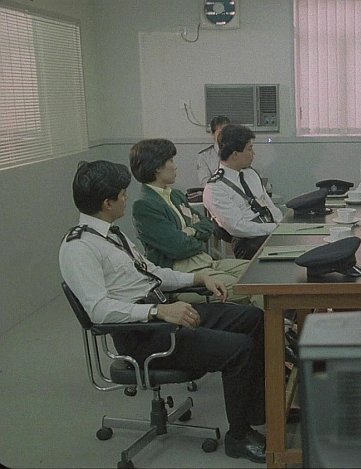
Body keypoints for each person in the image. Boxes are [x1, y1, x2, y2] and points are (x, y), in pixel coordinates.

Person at [59, 160, 268, 463]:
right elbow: (99, 311)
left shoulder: (111, 235)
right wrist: (159, 311)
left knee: (252, 319)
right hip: (141, 335)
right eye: (122, 193)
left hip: (160, 315)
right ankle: (239, 437)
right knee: (239, 349)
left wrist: (197, 279)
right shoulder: (79, 247)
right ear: (107, 203)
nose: (127, 197)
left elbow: (152, 273)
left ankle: (257, 412)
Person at [129, 138, 257, 305]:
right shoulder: (144, 205)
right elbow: (177, 247)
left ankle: (276, 320)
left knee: (258, 273)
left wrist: (191, 231)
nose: (175, 166)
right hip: (183, 270)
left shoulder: (175, 195)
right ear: (157, 167)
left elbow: (207, 225)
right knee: (253, 287)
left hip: (205, 260)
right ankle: (273, 321)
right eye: (170, 161)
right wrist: (194, 235)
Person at [202, 124, 283, 260]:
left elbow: (270, 206)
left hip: (270, 230)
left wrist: (282, 226)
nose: (253, 154)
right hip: (248, 241)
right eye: (249, 149)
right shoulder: (215, 188)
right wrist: (274, 228)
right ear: (235, 154)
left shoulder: (251, 174)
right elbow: (238, 227)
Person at [196, 115, 231, 187]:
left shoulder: (236, 153)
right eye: (220, 132)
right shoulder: (204, 156)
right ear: (213, 133)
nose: (224, 135)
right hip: (214, 191)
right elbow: (205, 183)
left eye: (227, 132)